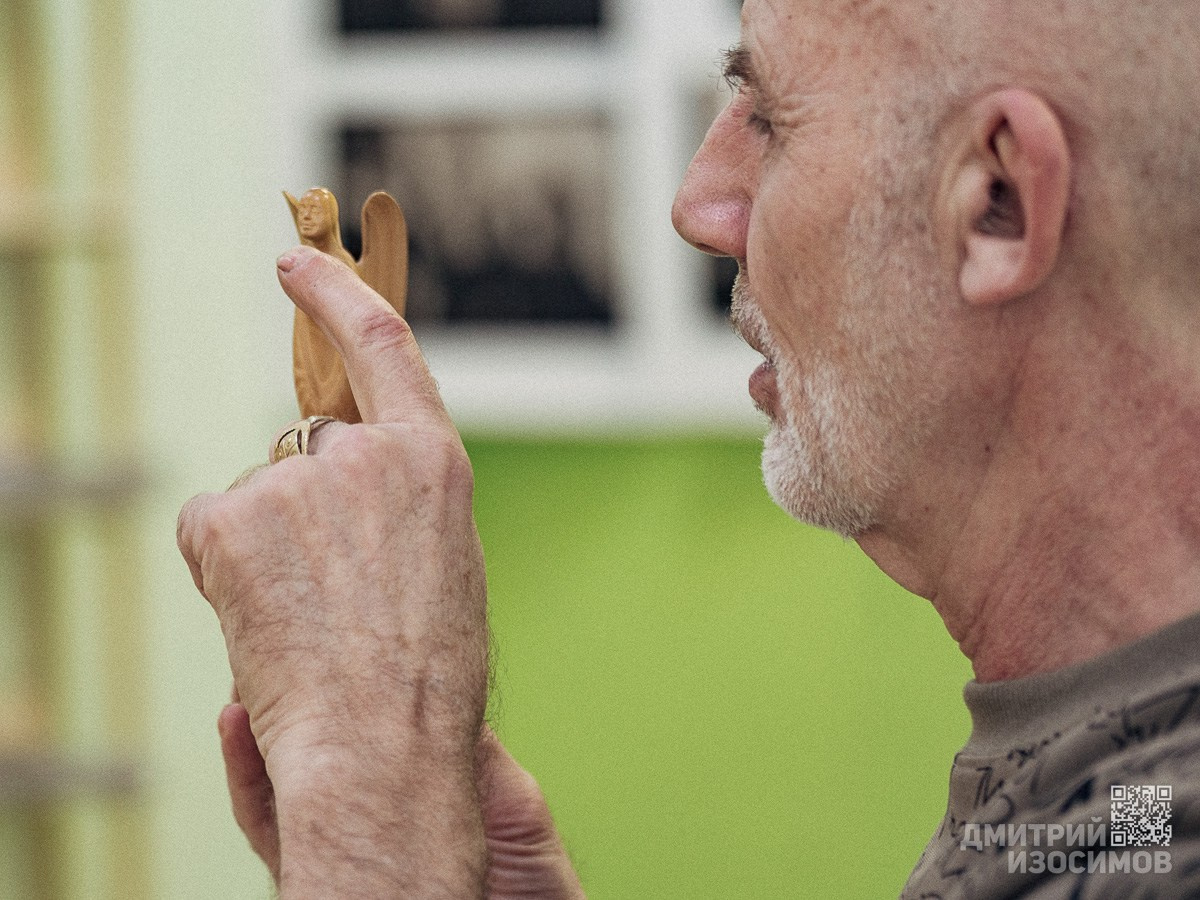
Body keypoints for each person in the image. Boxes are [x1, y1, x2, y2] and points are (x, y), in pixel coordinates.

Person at [177, 0, 1200, 895]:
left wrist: (379, 831)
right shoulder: (1131, 808)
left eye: (769, 119)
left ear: (999, 204)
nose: (698, 206)